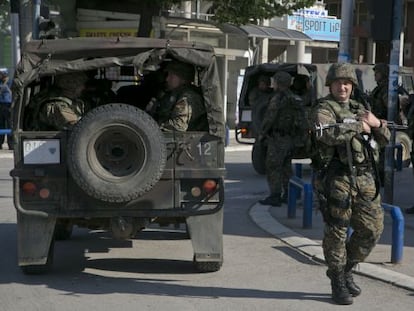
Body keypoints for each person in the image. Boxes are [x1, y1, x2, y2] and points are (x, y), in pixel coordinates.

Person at [312, 63, 391, 305]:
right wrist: (358, 125)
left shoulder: (361, 108)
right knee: (337, 232)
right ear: (331, 85)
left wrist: (377, 125)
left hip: (365, 178)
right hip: (338, 178)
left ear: (352, 86)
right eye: (338, 82)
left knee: (372, 229)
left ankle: (347, 268)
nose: (343, 87)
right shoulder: (324, 108)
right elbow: (325, 133)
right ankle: (337, 280)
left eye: (347, 83)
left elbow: (385, 139)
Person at [258, 71, 298, 207]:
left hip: (277, 139)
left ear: (279, 83)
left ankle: (275, 195)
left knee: (273, 167)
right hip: (290, 138)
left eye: (274, 81)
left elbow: (269, 118)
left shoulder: (278, 98)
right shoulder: (294, 98)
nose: (272, 84)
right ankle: (289, 194)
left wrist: (262, 133)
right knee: (287, 167)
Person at [151, 61, 208, 132]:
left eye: (172, 75)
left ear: (183, 79)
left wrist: (153, 130)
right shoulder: (172, 94)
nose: (167, 79)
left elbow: (178, 126)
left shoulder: (189, 97)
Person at [0, 68, 12, 149]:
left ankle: (11, 143)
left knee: (9, 125)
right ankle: (0, 143)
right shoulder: (1, 82)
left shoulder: (10, 82)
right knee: (1, 125)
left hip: (8, 106)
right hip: (0, 105)